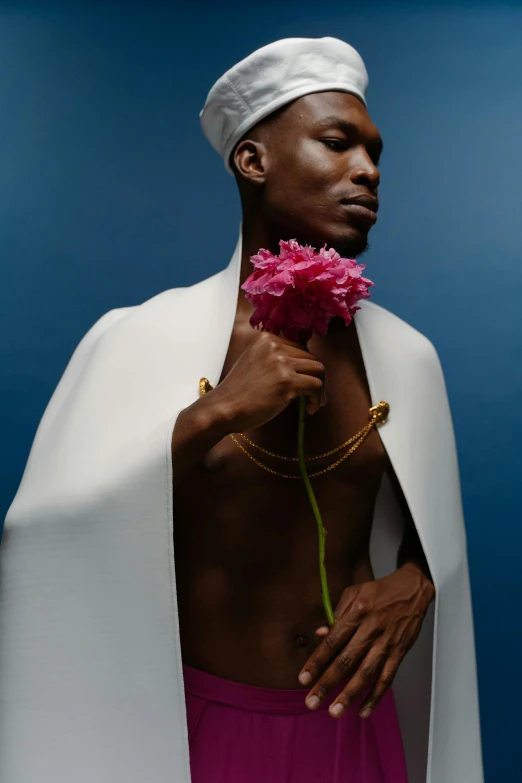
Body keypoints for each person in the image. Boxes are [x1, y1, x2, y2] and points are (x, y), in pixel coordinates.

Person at [0, 37, 482, 783]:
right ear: (252, 161)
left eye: (376, 152)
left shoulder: (408, 358)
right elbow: (39, 534)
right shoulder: (138, 337)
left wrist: (418, 581)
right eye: (337, 142)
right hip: (198, 731)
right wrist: (213, 415)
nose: (369, 170)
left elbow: (431, 540)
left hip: (354, 723)